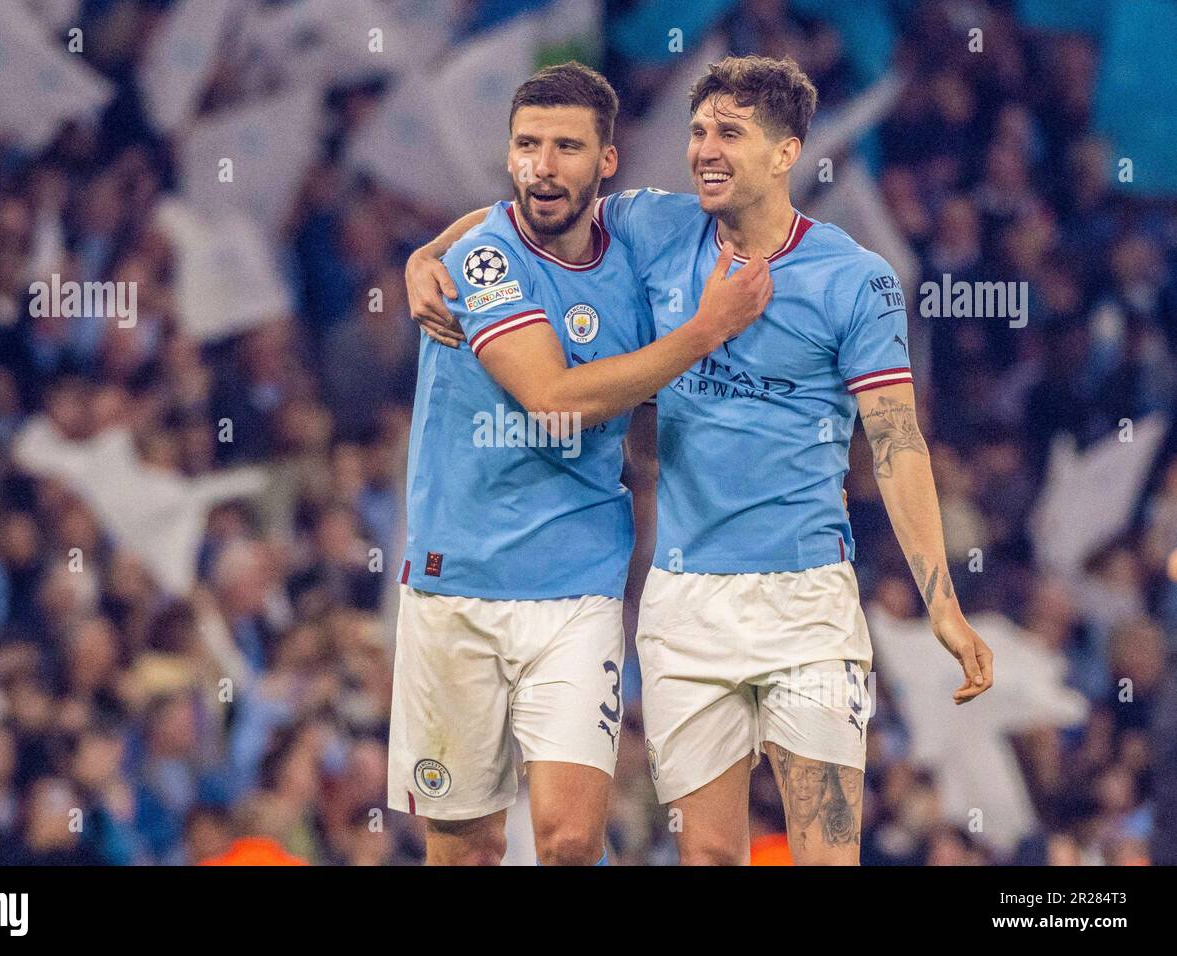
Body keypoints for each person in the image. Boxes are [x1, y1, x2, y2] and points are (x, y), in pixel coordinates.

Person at [406, 55, 993, 865]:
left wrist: (942, 601)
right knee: (710, 857)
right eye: (697, 131)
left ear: (787, 152)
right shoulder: (659, 229)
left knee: (826, 854)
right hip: (684, 607)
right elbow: (533, 203)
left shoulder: (856, 281)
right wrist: (426, 255)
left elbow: (897, 445)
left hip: (807, 605)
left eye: (729, 133)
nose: (704, 150)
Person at [387, 61, 771, 865]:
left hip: (577, 587)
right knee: (466, 847)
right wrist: (703, 333)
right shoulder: (483, 260)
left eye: (567, 146)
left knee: (566, 840)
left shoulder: (638, 233)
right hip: (457, 582)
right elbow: (551, 397)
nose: (543, 165)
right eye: (527, 144)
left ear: (608, 163)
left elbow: (747, 210)